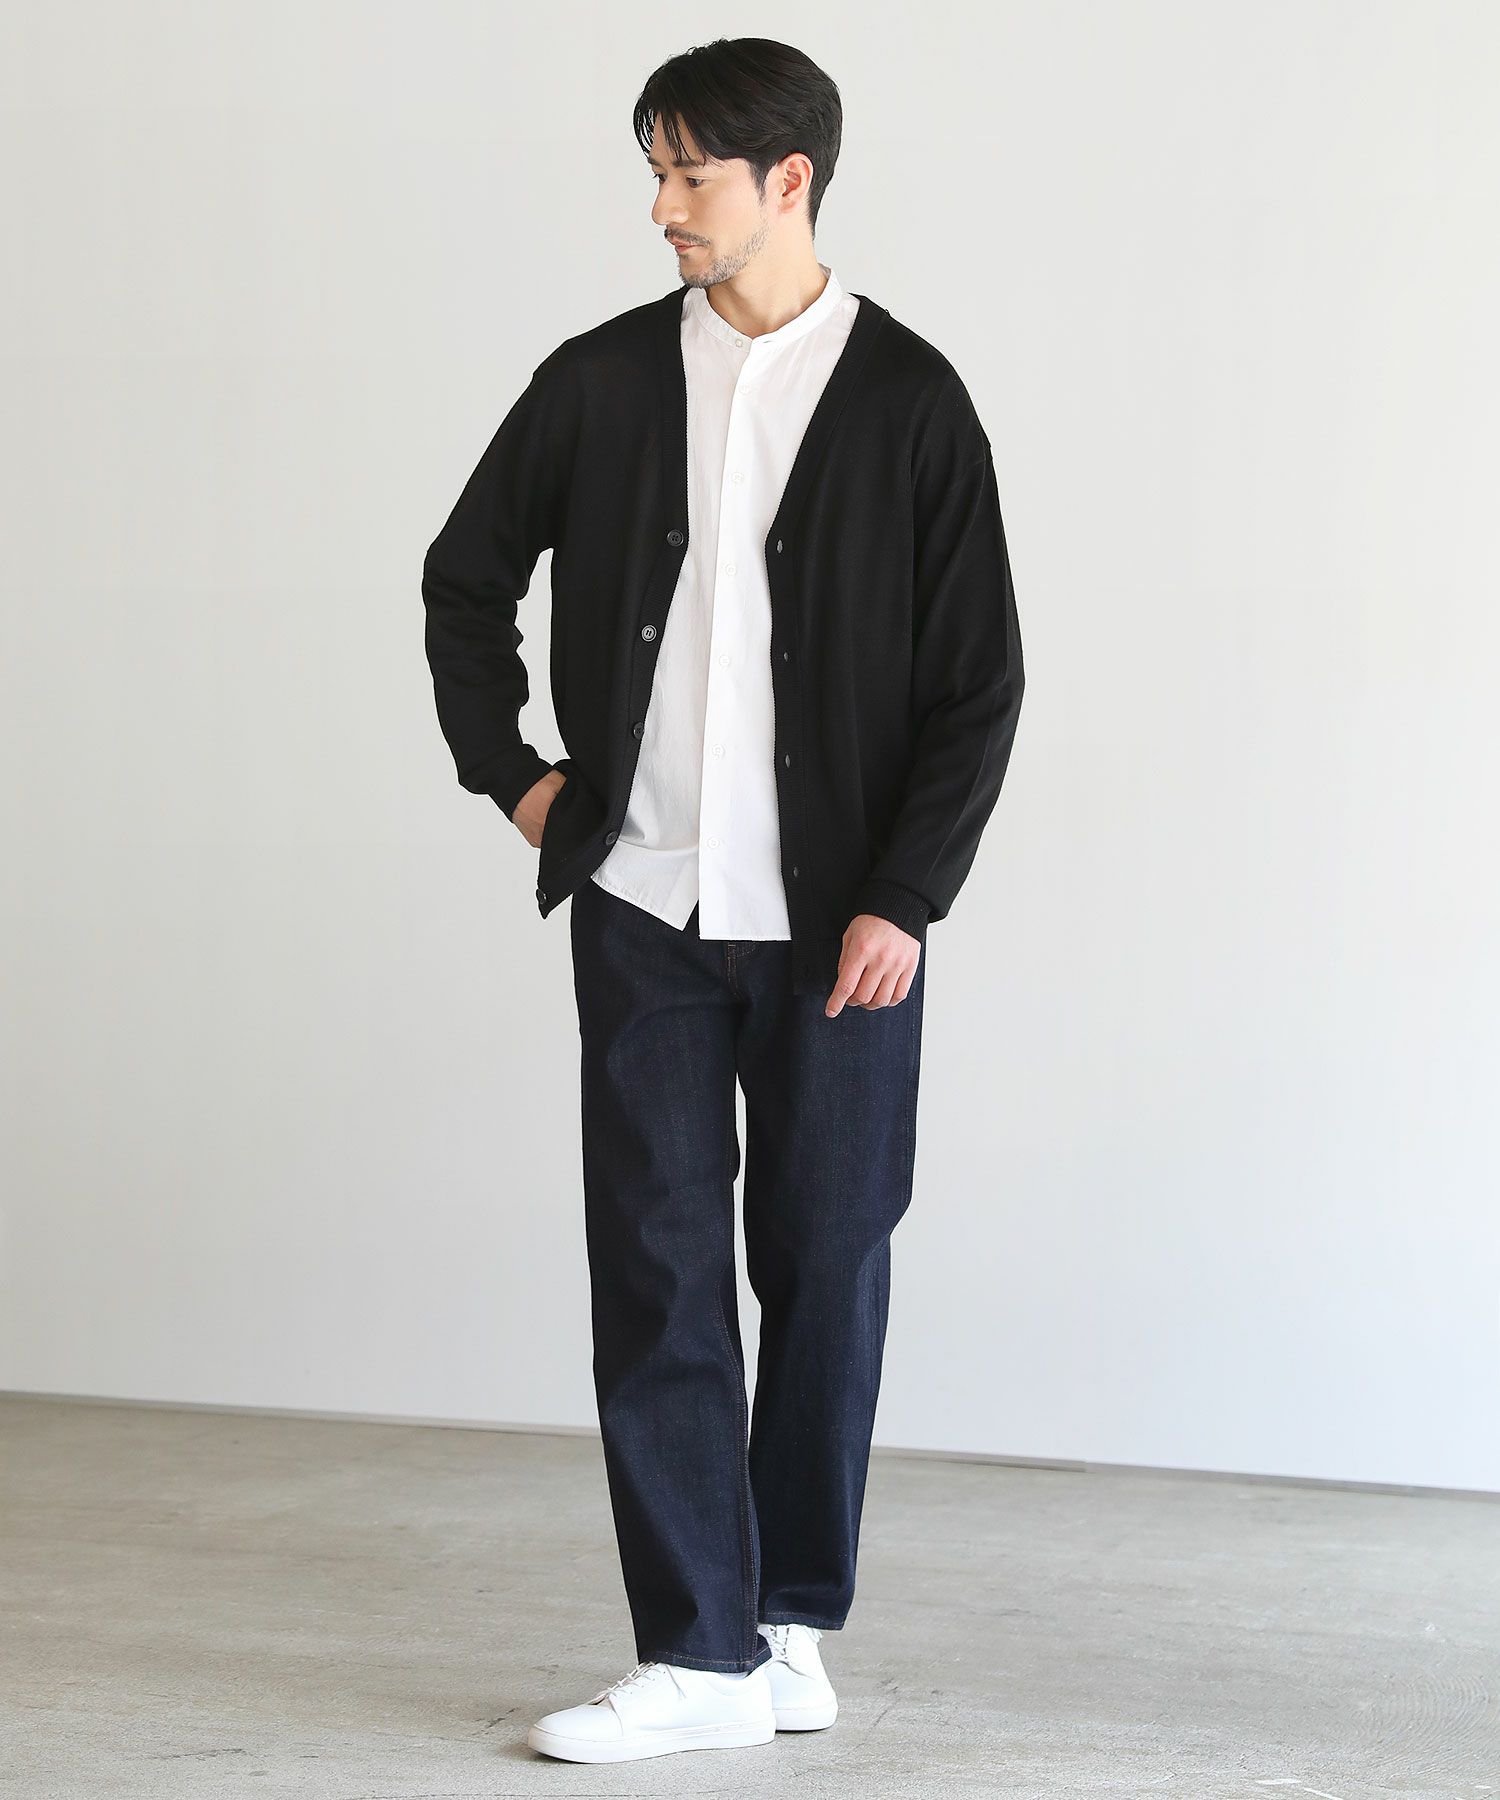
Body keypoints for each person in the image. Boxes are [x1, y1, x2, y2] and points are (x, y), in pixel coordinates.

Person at [421, 35, 1025, 1766]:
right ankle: (696, 1647)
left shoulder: (910, 399)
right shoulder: (604, 380)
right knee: (659, 1270)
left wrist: (906, 893)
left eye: (692, 174)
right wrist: (521, 779)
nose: (664, 207)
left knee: (827, 1266)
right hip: (645, 906)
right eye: (657, 172)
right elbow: (465, 581)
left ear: (790, 182)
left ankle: (791, 1622)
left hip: (843, 932)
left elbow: (979, 685)